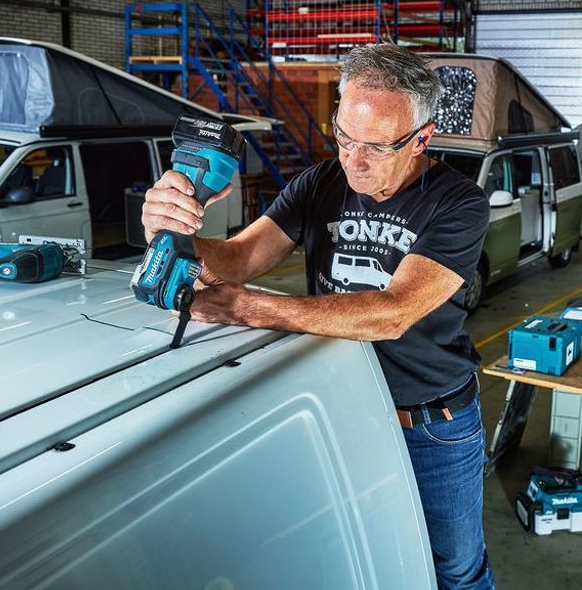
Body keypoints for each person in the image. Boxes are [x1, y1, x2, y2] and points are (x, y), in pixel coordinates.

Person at [141, 43, 495, 589]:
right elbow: (238, 259)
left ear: (421, 138)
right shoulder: (319, 183)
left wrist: (246, 308)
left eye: (375, 146)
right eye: (344, 137)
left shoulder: (459, 203)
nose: (354, 160)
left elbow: (392, 313)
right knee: (368, 561)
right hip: (344, 407)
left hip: (430, 426)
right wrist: (172, 227)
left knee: (456, 572)